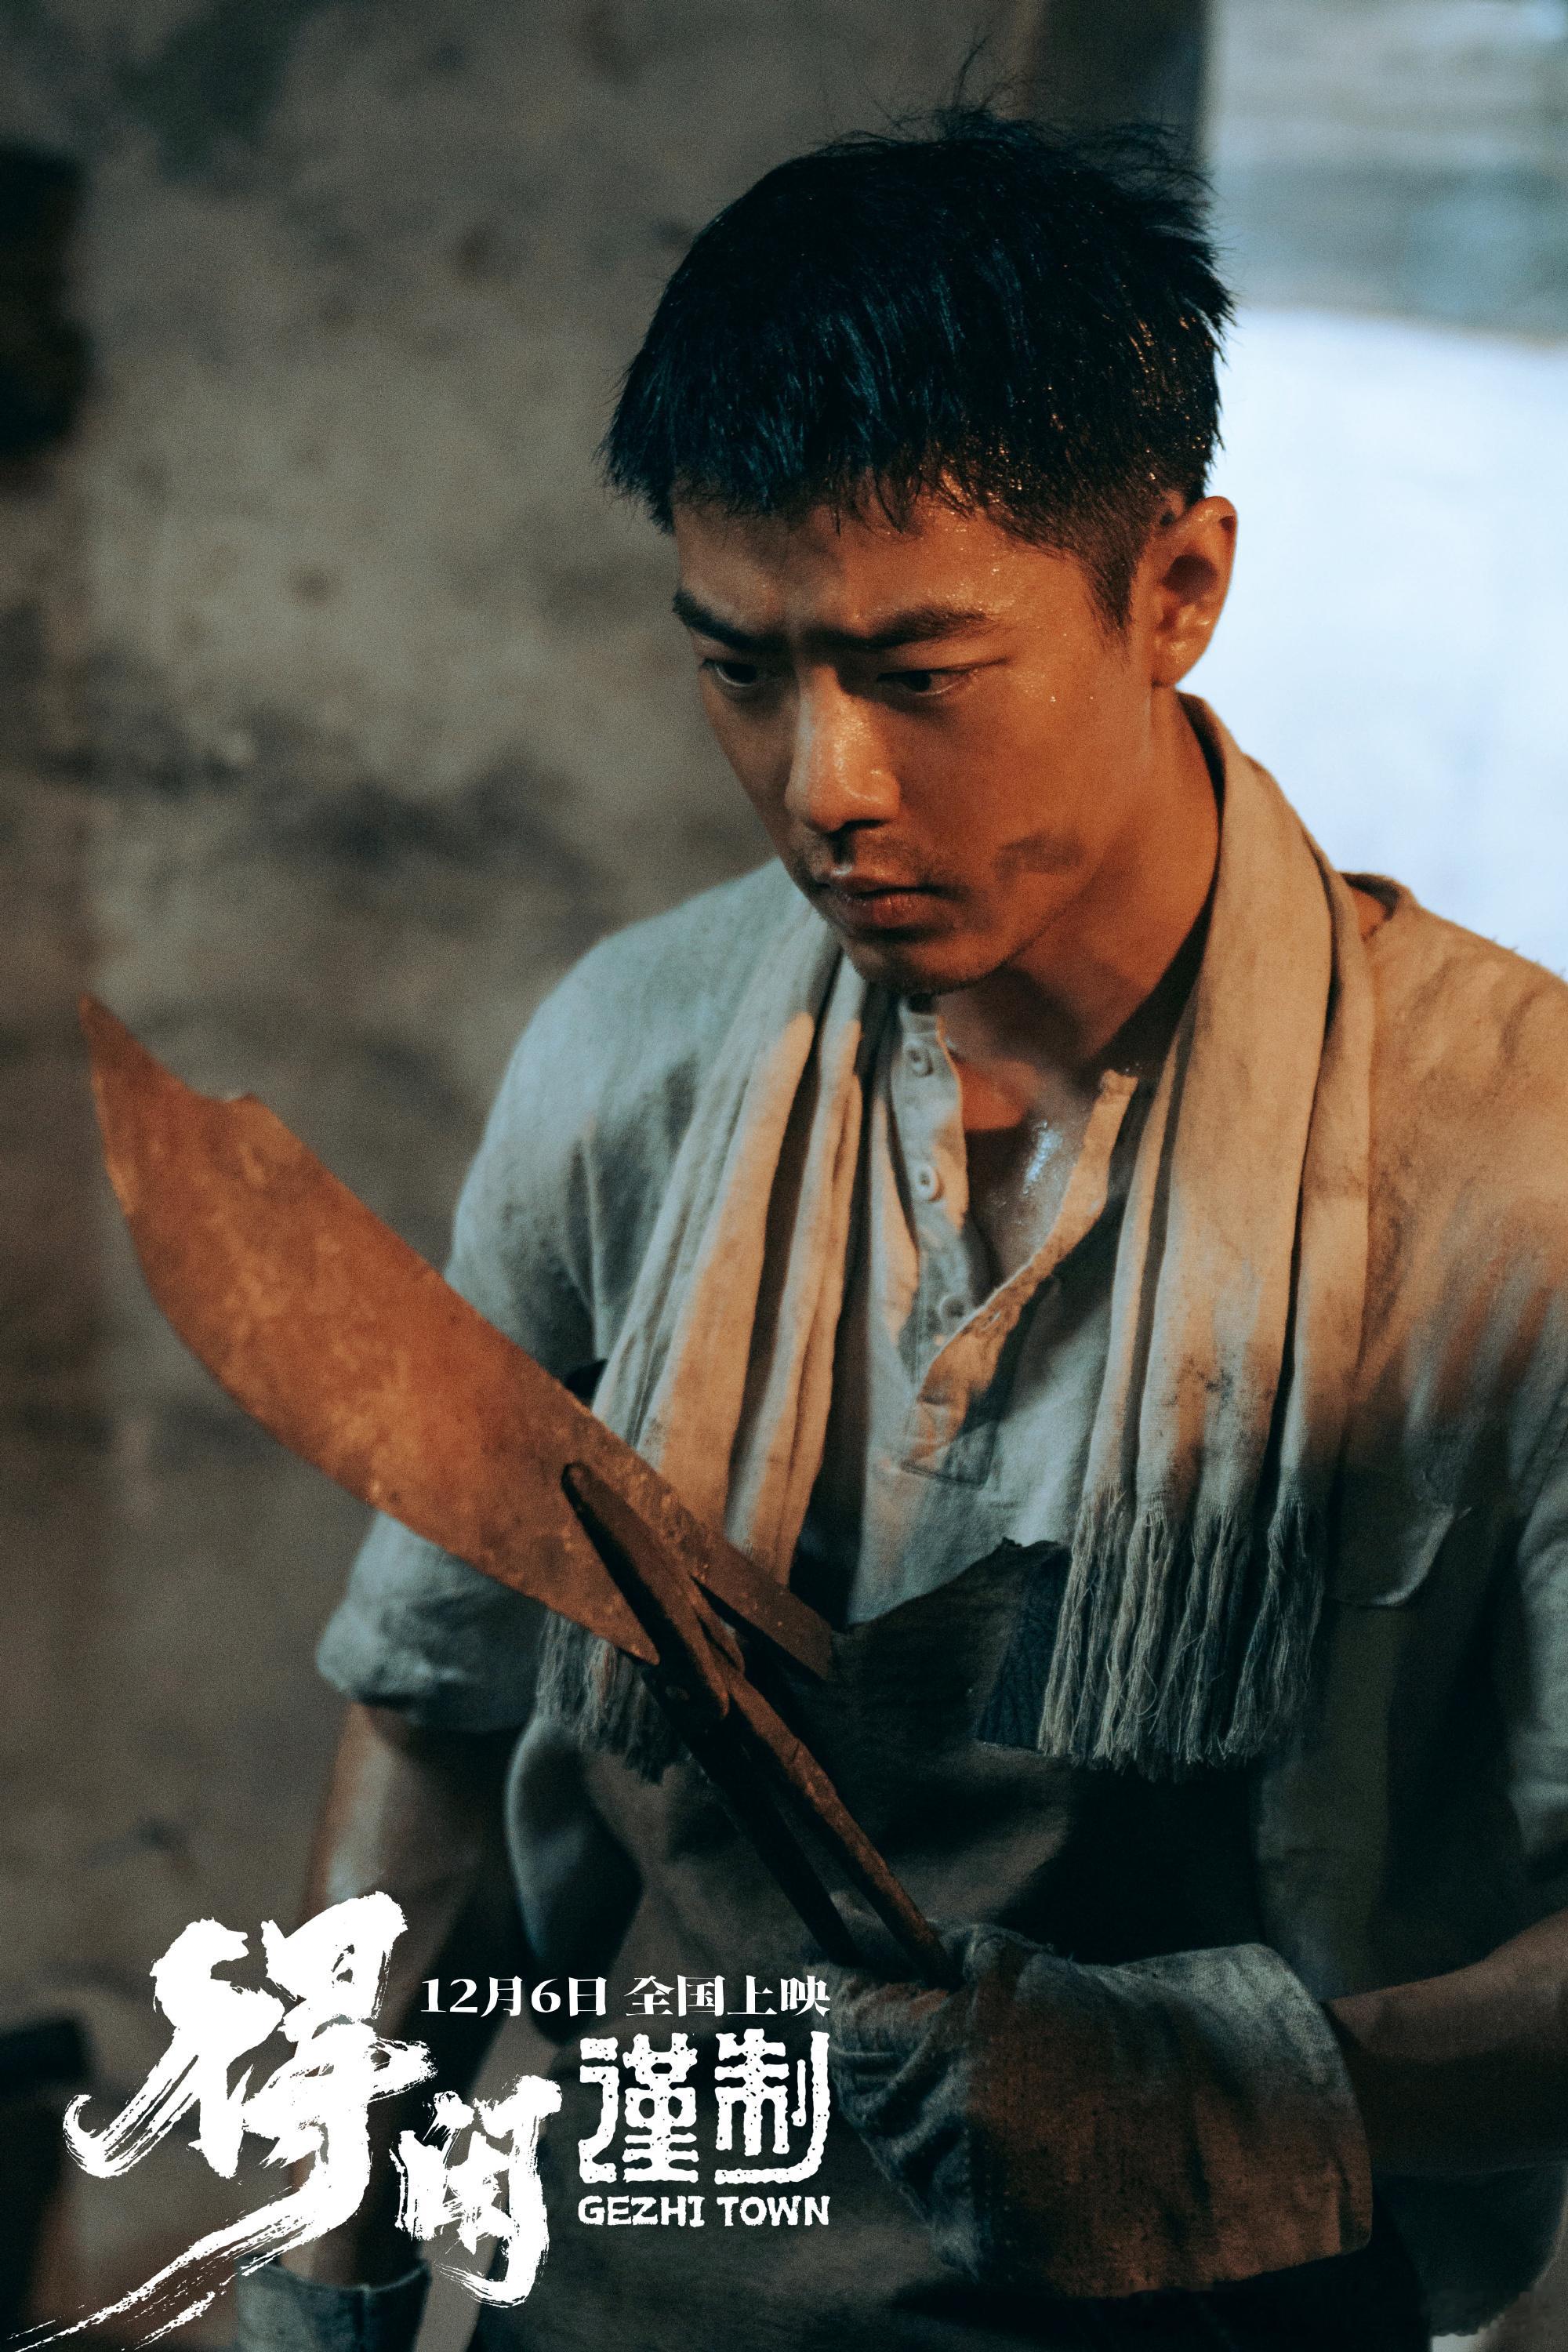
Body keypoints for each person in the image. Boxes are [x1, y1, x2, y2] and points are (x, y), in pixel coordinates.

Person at [238, 111, 1568, 2351]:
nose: (824, 786)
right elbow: (441, 1724)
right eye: (745, 670)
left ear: (1178, 590)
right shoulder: (635, 1060)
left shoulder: (1514, 1165)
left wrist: (1227, 2087)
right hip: (630, 2297)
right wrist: (320, 2288)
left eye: (918, 672)